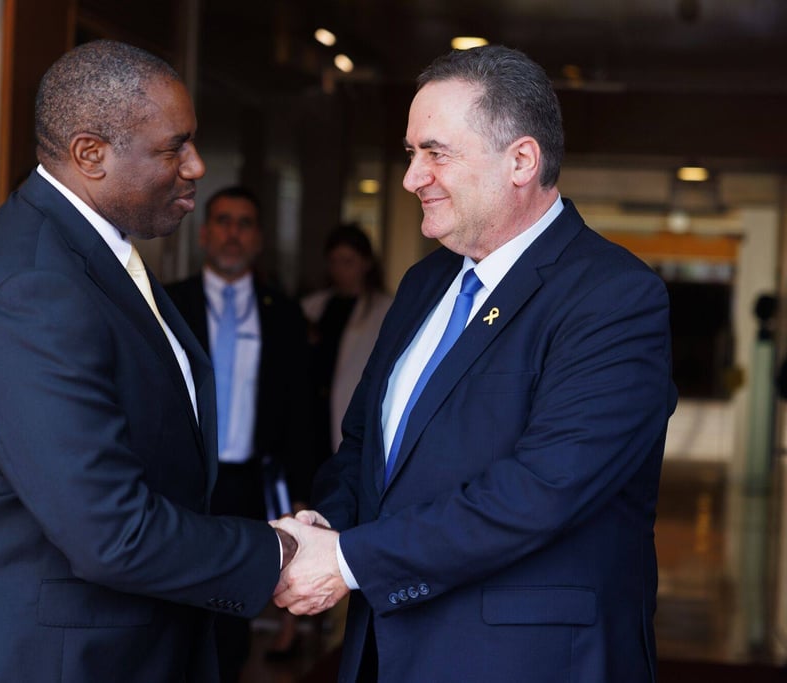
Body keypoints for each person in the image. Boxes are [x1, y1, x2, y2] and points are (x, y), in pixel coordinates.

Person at [0, 40, 297, 683]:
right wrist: (276, 552)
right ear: (89, 155)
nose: (195, 165)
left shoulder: (87, 249)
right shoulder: (37, 287)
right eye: (172, 147)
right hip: (32, 658)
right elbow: (111, 532)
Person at [272, 45, 678, 682]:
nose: (412, 177)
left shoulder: (614, 297)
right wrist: (327, 525)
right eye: (411, 154)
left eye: (436, 152)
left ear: (521, 160)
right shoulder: (423, 284)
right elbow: (364, 448)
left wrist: (349, 559)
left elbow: (541, 490)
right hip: (388, 648)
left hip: (523, 662)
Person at [166, 186, 312, 680]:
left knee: (233, 611)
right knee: (173, 606)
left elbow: (300, 412)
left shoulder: (283, 313)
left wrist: (300, 493)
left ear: (259, 240)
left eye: (244, 223)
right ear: (205, 233)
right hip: (181, 481)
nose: (233, 233)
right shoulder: (168, 304)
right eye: (223, 221)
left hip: (250, 483)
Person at [301, 223, 393, 461]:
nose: (340, 270)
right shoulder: (311, 307)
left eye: (348, 262)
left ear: (366, 263)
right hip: (313, 413)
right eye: (334, 262)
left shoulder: (385, 310)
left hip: (352, 411)